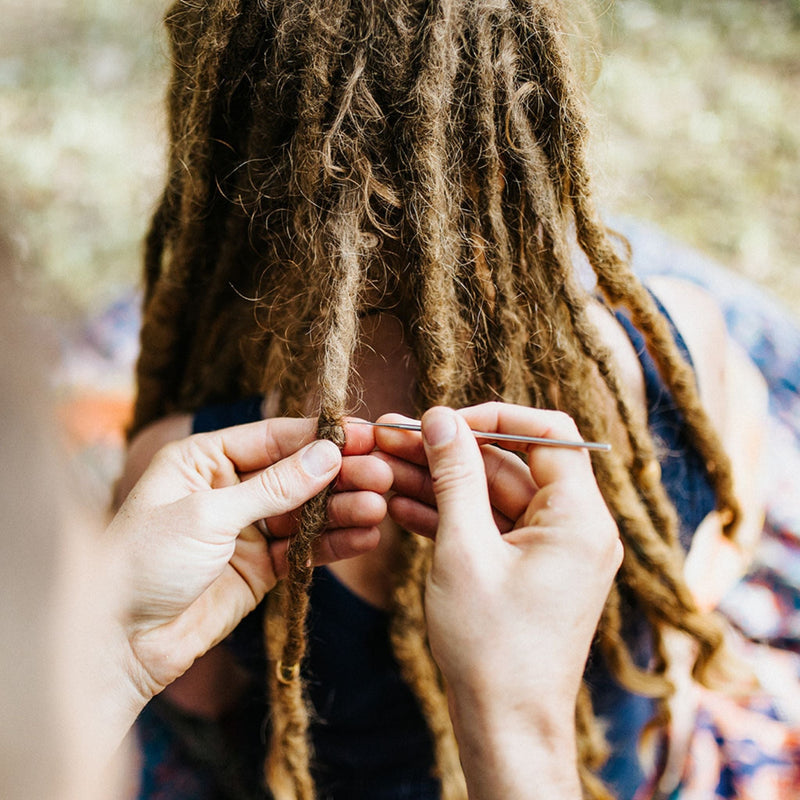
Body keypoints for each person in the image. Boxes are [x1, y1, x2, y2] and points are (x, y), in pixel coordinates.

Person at [120, 1, 767, 798]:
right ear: (539, 118)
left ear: (230, 148)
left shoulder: (185, 470)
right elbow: (725, 538)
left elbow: (194, 690)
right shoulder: (681, 346)